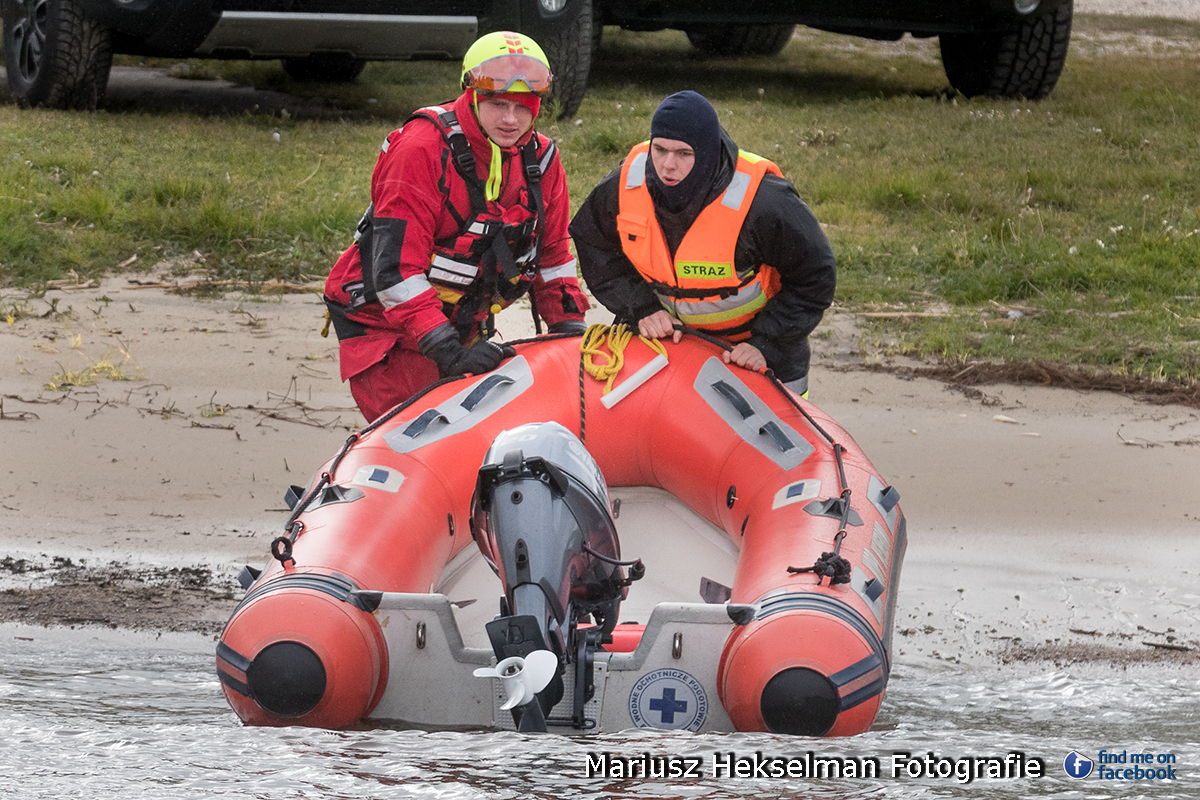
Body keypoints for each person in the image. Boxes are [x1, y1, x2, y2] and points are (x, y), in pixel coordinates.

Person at [323, 31, 590, 422]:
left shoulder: (542, 159)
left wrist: (569, 331)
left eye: (523, 106)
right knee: (420, 436)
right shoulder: (420, 149)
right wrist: (447, 351)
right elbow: (395, 271)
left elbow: (553, 257)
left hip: (462, 325)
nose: (511, 119)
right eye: (498, 104)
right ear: (473, 95)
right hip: (389, 329)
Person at [569, 90, 835, 396]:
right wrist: (641, 308)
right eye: (660, 149)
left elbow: (816, 274)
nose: (668, 165)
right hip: (668, 339)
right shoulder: (624, 186)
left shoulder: (765, 201)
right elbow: (593, 242)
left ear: (707, 152)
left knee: (783, 424)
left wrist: (765, 344)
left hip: (758, 347)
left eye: (684, 153)